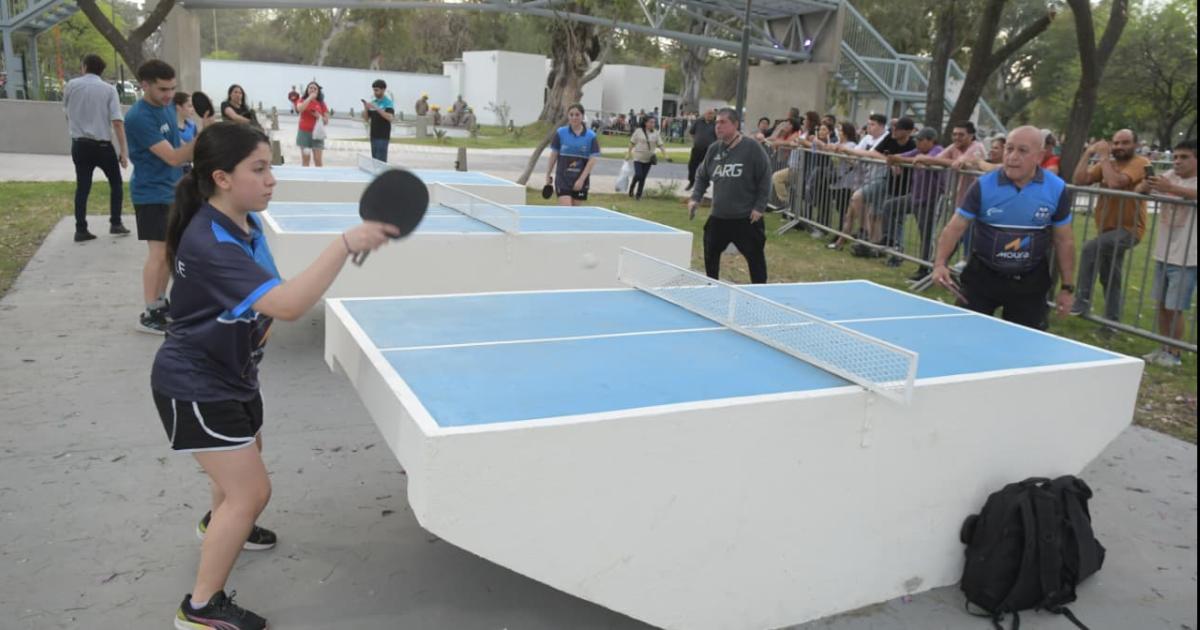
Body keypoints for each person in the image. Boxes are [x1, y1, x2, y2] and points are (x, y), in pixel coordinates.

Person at [153, 122, 397, 630]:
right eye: (258, 169)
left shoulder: (243, 222)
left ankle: (216, 525)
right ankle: (199, 608)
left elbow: (268, 295)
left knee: (242, 467)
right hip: (195, 383)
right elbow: (287, 305)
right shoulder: (211, 242)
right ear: (221, 177)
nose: (271, 180)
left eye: (271, 167)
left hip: (233, 372)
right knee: (251, 493)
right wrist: (344, 244)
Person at [930, 126, 1076, 330]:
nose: (1012, 157)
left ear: (1039, 156)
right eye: (1009, 149)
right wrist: (940, 264)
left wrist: (1067, 287)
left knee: (1026, 347)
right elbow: (955, 227)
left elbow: (1064, 240)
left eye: (1022, 151)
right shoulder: (983, 185)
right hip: (983, 277)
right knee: (964, 337)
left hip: (1030, 282)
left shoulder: (1056, 188)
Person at [126, 59, 209, 334]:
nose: (169, 95)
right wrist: (203, 136)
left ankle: (161, 305)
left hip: (172, 190)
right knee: (159, 254)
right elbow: (173, 157)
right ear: (144, 85)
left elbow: (178, 146)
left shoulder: (165, 109)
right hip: (151, 193)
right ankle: (149, 313)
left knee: (169, 252)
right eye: (163, 89)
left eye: (172, 88)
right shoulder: (139, 117)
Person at [1071, 129, 1150, 322]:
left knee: (1091, 248)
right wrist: (1088, 153)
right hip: (1106, 229)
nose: (1119, 147)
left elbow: (1115, 183)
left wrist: (1104, 157)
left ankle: (1081, 301)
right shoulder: (1108, 163)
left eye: (1125, 143)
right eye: (1115, 143)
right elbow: (1080, 180)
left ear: (1136, 145)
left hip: (1129, 230)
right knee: (1111, 277)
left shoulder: (1140, 163)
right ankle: (1112, 322)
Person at [688, 108, 773, 283]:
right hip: (720, 215)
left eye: (723, 122)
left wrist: (759, 207)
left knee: (755, 258)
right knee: (710, 250)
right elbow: (702, 175)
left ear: (735, 125)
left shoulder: (752, 148)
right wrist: (695, 197)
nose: (718, 126)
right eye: (717, 122)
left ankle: (760, 292)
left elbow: (765, 177)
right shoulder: (714, 149)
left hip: (746, 217)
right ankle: (712, 285)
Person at [1136, 139, 1197, 367]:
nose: (1178, 162)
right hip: (1164, 252)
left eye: (1184, 157)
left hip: (1188, 256)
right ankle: (1163, 346)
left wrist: (1171, 189)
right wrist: (1146, 185)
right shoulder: (1169, 175)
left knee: (1176, 306)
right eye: (1176, 157)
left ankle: (1174, 353)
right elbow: (1140, 192)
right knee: (1161, 304)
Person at [63, 52, 130, 241]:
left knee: (82, 186)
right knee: (115, 183)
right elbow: (117, 121)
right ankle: (115, 223)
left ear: (84, 67)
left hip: (80, 144)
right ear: (102, 70)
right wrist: (123, 151)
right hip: (102, 145)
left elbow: (67, 112)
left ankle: (81, 228)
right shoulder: (109, 90)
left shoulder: (71, 86)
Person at [883, 127, 946, 270]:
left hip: (931, 200)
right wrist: (893, 158)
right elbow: (903, 156)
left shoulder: (938, 150)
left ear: (931, 141)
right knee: (889, 207)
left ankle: (925, 267)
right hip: (915, 197)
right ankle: (891, 241)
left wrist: (901, 159)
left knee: (926, 234)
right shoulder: (918, 151)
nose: (916, 142)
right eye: (916, 139)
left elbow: (929, 160)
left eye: (920, 140)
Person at [545, 103, 601, 206]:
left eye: (577, 114)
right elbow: (554, 154)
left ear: (582, 116)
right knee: (566, 209)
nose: (574, 117)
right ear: (568, 116)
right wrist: (548, 174)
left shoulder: (591, 136)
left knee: (575, 213)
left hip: (580, 180)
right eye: (571, 114)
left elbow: (592, 160)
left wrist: (581, 180)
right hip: (563, 179)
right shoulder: (561, 133)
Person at [625, 115, 669, 201]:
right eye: (651, 122)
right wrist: (628, 153)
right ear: (646, 123)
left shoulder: (656, 133)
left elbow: (661, 145)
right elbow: (631, 143)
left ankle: (638, 195)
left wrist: (665, 154)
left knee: (643, 177)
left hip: (649, 159)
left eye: (654, 122)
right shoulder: (638, 131)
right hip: (638, 157)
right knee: (638, 175)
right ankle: (632, 186)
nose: (653, 124)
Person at [295, 81, 329, 168]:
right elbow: (300, 109)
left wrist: (319, 116)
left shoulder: (322, 103)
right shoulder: (302, 100)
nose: (312, 90)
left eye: (315, 88)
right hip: (304, 134)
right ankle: (306, 179)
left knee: (318, 160)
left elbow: (326, 121)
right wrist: (310, 98)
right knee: (306, 159)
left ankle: (319, 179)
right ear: (307, 90)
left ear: (318, 91)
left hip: (317, 135)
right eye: (311, 88)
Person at [362, 79, 395, 162]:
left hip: (383, 137)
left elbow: (390, 117)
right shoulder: (374, 102)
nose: (375, 92)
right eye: (374, 90)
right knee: (374, 161)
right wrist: (366, 108)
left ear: (383, 90)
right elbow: (366, 119)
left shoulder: (388, 103)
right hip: (373, 136)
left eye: (377, 90)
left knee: (381, 162)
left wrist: (377, 107)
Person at [686, 108, 717, 192]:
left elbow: (718, 137)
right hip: (697, 148)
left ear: (714, 115)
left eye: (711, 114)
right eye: (708, 113)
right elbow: (692, 132)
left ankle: (703, 185)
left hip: (709, 150)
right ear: (704, 114)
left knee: (706, 168)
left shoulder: (715, 124)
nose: (709, 115)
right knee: (692, 165)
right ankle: (691, 182)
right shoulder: (698, 122)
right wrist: (696, 141)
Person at [174, 92, 197, 172]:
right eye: (190, 106)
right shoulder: (169, 127)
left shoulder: (192, 125)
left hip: (187, 168)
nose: (193, 109)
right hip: (173, 170)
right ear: (178, 107)